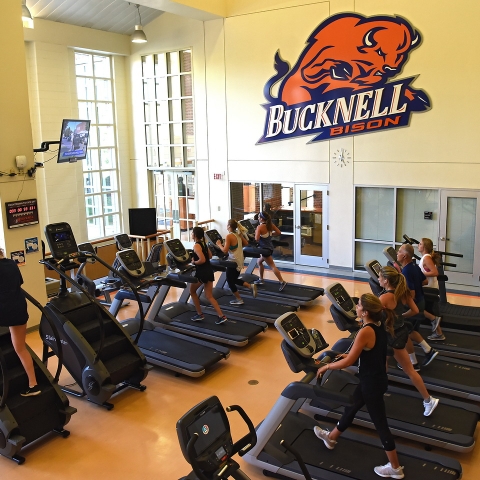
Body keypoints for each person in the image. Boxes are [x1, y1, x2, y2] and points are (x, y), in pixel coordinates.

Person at [314, 294, 404, 479]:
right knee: (351, 408)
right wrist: (343, 356)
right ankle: (331, 438)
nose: (356, 307)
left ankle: (395, 468)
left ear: (365, 312)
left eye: (359, 305)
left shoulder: (366, 331)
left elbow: (349, 362)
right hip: (374, 379)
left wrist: (328, 366)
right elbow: (367, 353)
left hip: (371, 383)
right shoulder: (378, 325)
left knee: (380, 424)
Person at [378, 266, 439, 416]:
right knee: (385, 365)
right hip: (401, 333)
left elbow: (375, 317)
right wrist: (401, 317)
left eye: (379, 277)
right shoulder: (402, 293)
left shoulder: (384, 298)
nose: (378, 279)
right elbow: (415, 311)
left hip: (391, 336)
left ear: (386, 280)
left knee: (401, 369)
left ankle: (428, 400)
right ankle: (378, 394)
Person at [0, 247, 41, 396]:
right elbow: (18, 283)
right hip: (18, 307)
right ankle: (33, 384)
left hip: (3, 311)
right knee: (20, 348)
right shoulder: (11, 263)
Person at [396, 244, 438, 370]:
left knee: (405, 333)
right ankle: (428, 350)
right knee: (411, 330)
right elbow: (424, 280)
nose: (397, 253)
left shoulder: (407, 271)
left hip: (414, 305)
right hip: (421, 302)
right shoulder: (413, 266)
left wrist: (399, 300)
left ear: (404, 256)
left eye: (399, 252)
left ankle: (413, 363)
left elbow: (411, 294)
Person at [189, 227, 228, 325]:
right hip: (209, 271)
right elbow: (210, 256)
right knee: (209, 296)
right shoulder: (204, 244)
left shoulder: (197, 246)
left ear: (195, 235)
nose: (191, 234)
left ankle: (199, 314)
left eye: (192, 233)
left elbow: (202, 260)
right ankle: (221, 316)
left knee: (192, 291)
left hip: (202, 273)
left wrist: (194, 262)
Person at [216, 219, 258, 305]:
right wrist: (236, 247)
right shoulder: (238, 234)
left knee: (229, 281)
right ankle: (249, 286)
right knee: (234, 279)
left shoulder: (229, 236)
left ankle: (239, 299)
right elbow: (246, 243)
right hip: (240, 260)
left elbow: (224, 250)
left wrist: (219, 244)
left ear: (228, 226)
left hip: (233, 261)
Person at [418, 238, 444, 341]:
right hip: (428, 287)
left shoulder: (426, 258)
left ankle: (434, 320)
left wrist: (420, 275)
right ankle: (439, 333)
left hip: (430, 289)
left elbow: (435, 273)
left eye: (420, 244)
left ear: (424, 247)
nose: (418, 245)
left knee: (413, 304)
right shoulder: (425, 257)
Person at [254, 211, 287, 291]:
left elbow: (257, 239)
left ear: (262, 219)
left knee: (272, 266)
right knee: (259, 262)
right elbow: (279, 232)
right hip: (270, 247)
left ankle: (282, 282)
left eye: (259, 217)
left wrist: (256, 233)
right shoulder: (270, 225)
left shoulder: (260, 227)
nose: (258, 218)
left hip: (265, 250)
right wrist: (271, 234)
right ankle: (261, 279)